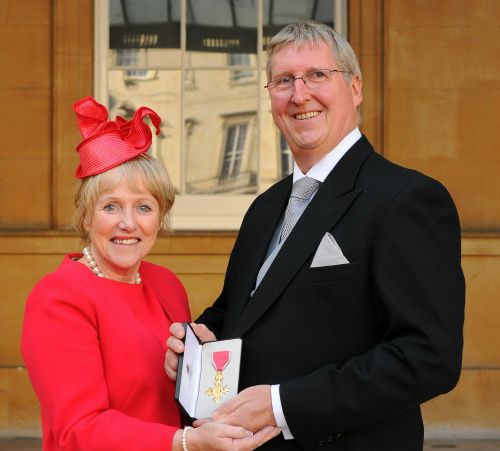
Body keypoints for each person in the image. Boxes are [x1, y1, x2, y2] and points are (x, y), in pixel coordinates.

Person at [165, 20, 465, 451]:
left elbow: (427, 357)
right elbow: (238, 314)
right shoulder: (265, 207)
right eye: (283, 80)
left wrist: (282, 405)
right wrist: (199, 343)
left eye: (318, 75)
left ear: (355, 88)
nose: (299, 94)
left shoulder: (407, 199)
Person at [21, 97, 280, 451]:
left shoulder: (166, 283)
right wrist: (187, 441)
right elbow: (78, 430)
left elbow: (178, 403)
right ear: (86, 216)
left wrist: (205, 368)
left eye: (144, 207)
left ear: (160, 218)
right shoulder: (59, 298)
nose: (128, 223)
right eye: (111, 206)